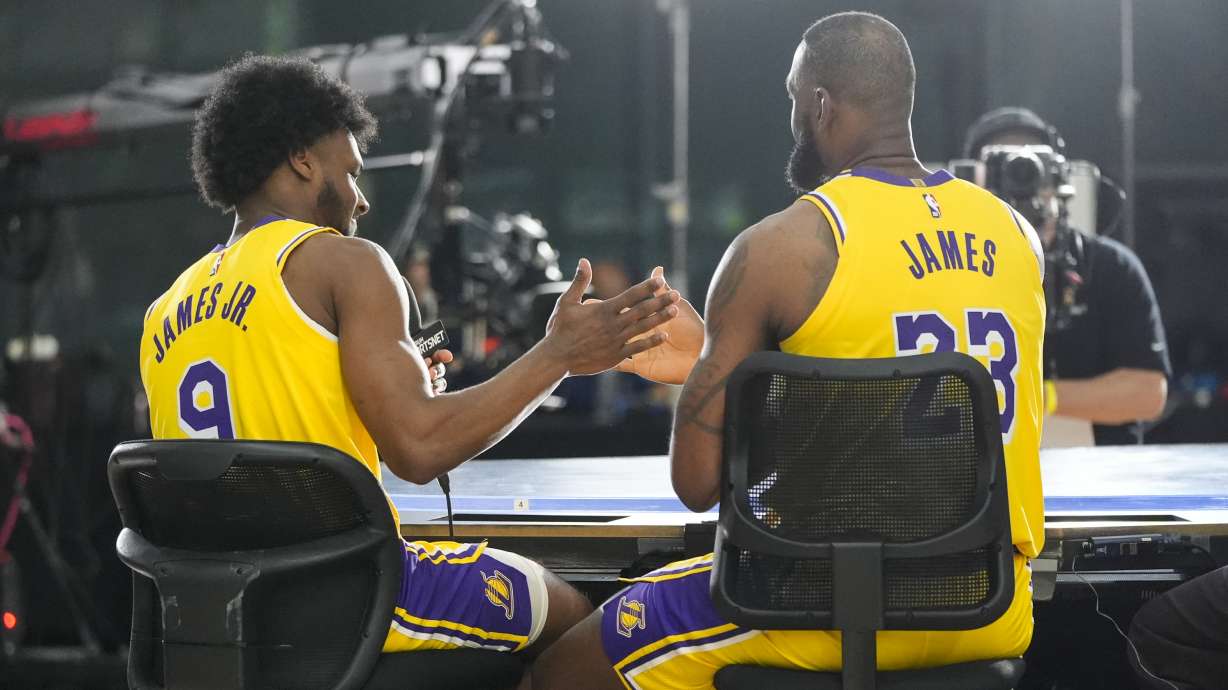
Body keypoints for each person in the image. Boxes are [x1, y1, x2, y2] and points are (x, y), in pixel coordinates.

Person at [530, 12, 1046, 689]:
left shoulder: (782, 248)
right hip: (986, 606)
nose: (792, 115)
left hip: (821, 607)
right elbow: (888, 384)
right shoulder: (1016, 234)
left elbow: (696, 485)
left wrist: (711, 363)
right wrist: (718, 359)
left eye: (792, 97)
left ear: (821, 104)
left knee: (558, 673)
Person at [139, 55, 680, 663]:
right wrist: (559, 354)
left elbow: (263, 423)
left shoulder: (166, 308)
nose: (361, 201)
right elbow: (419, 450)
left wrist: (379, 387)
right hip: (350, 600)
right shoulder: (346, 263)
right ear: (302, 158)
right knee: (583, 627)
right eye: (352, 172)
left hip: (219, 622)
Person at [964, 107, 1170, 445]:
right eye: (1006, 167)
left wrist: (1042, 397)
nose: (1023, 183)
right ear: (975, 181)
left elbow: (1149, 394)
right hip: (994, 479)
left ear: (1060, 176)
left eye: (1035, 166)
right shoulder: (949, 270)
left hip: (1102, 476)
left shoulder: (1111, 267)